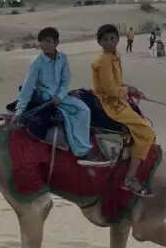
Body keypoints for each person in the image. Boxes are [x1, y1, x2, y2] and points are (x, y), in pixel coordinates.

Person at [14, 27, 108, 166]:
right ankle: (81, 151)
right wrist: (19, 111)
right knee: (67, 117)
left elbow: (65, 81)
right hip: (46, 99)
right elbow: (28, 87)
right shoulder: (37, 63)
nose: (44, 44)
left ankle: (83, 147)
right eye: (41, 41)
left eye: (47, 41)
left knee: (84, 110)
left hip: (61, 97)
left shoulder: (63, 58)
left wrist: (60, 96)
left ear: (56, 43)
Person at [91, 24, 157, 196]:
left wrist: (130, 88)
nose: (109, 42)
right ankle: (130, 178)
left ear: (117, 39)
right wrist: (127, 91)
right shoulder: (104, 61)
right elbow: (111, 90)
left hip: (119, 100)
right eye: (105, 39)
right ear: (99, 42)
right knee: (147, 133)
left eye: (112, 38)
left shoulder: (115, 57)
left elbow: (117, 84)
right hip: (111, 104)